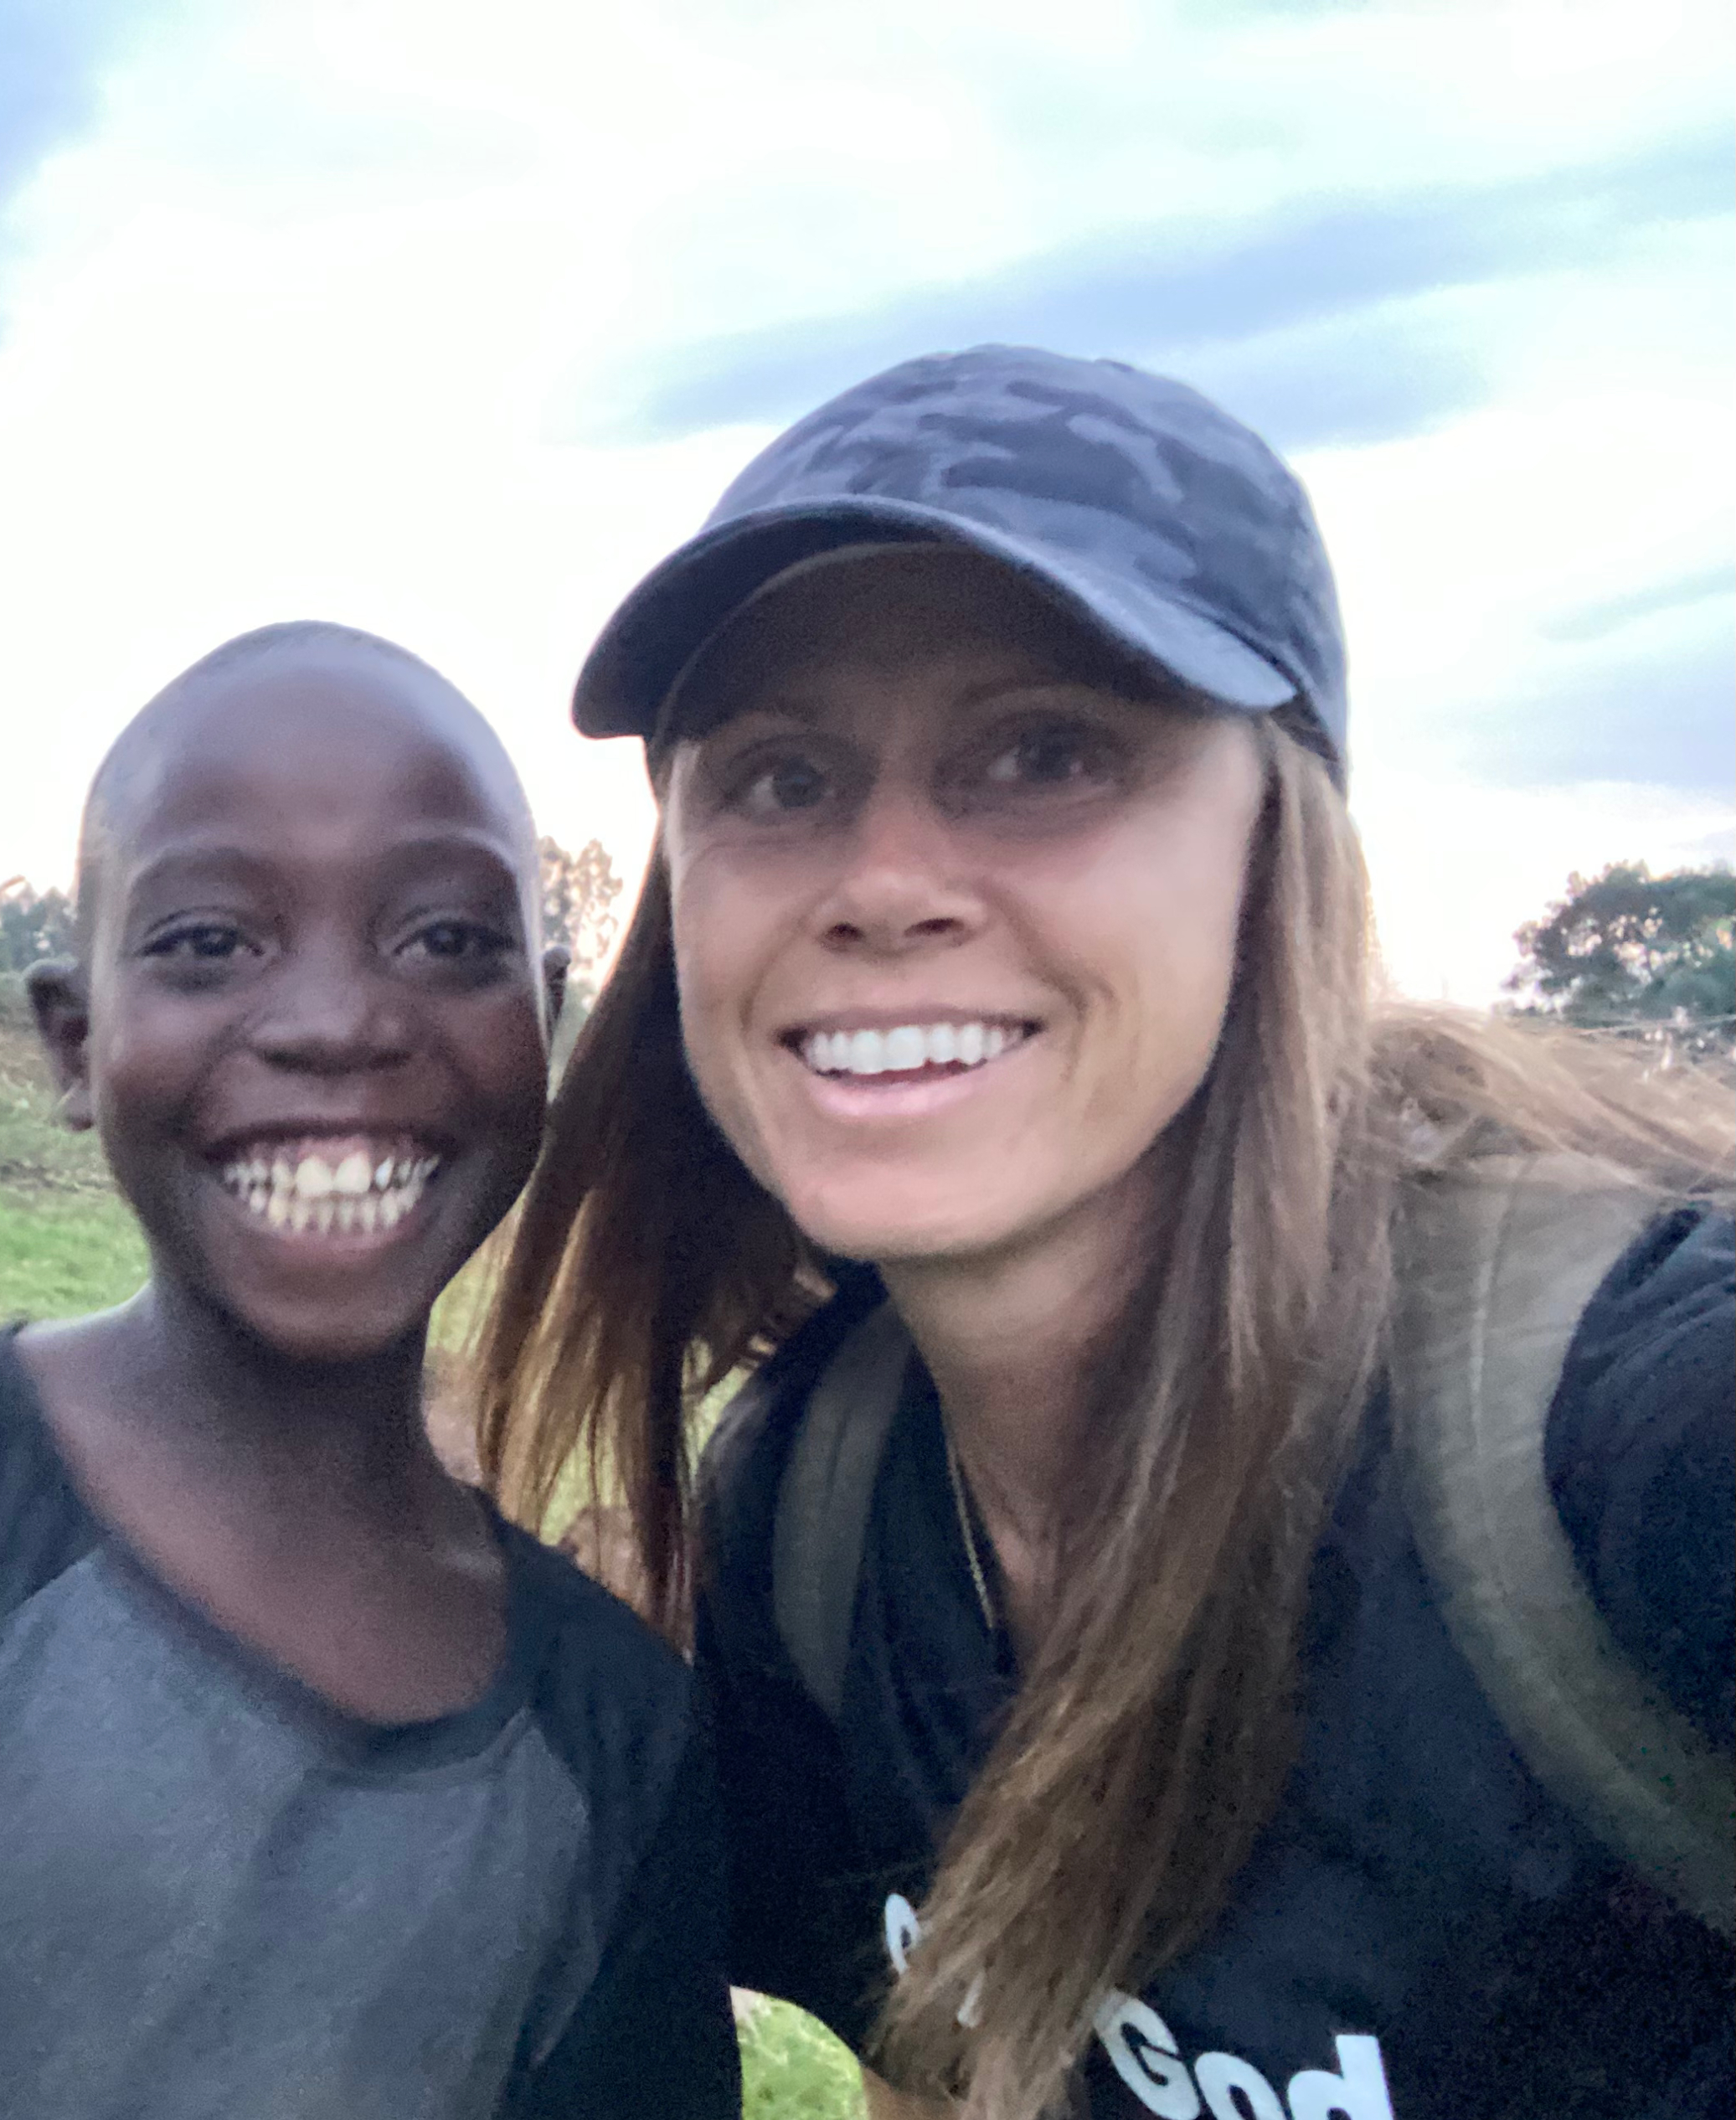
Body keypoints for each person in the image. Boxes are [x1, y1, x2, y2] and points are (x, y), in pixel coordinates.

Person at [476, 348, 1734, 2119]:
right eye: (774, 778)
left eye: (1044, 751)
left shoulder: (1639, 1443)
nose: (883, 880)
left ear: (1276, 849)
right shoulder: (817, 1516)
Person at [0, 622, 739, 2120]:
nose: (334, 1024)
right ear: (72, 1042)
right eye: (208, 944)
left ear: (545, 1019)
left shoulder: (611, 1728)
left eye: (445, 939)